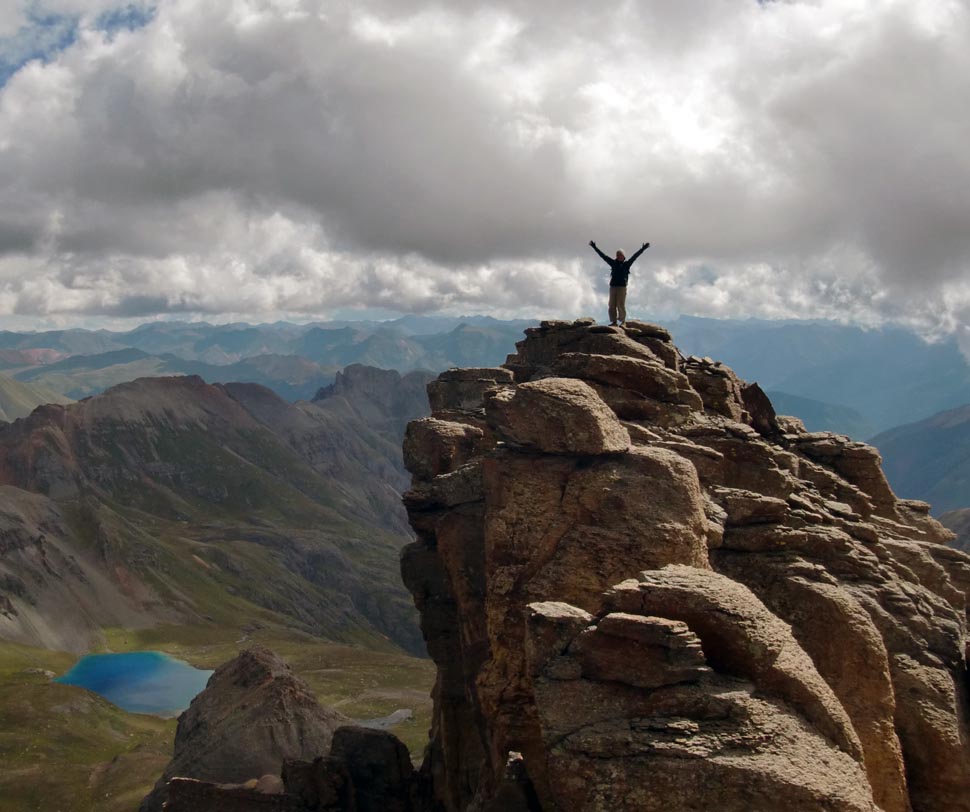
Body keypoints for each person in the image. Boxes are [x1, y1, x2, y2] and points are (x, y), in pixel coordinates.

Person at [589, 239, 650, 325]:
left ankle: (622, 321)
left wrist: (643, 249)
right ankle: (614, 322)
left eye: (620, 255)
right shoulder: (613, 263)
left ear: (623, 256)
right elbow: (603, 256)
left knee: (620, 305)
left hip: (622, 287)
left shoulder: (627, 264)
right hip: (613, 287)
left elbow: (635, 256)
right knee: (611, 305)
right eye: (617, 255)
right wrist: (595, 247)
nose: (619, 256)